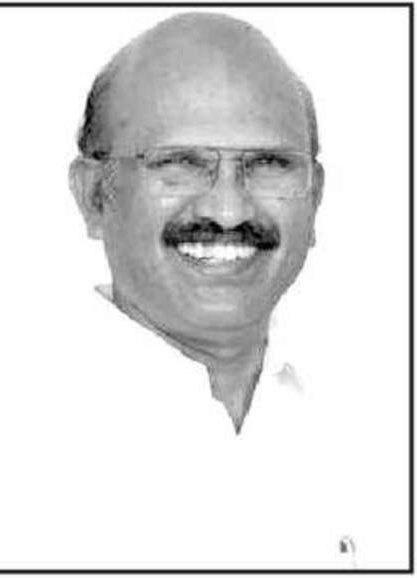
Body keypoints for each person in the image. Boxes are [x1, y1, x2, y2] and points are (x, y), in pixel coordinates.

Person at [69, 12, 324, 433]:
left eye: (268, 163)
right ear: (93, 195)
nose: (229, 211)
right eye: (180, 163)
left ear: (315, 197)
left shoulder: (374, 415)